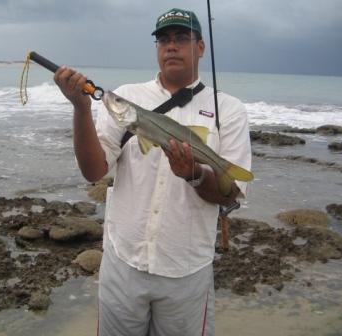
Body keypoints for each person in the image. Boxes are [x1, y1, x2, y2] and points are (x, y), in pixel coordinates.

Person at [54, 7, 251, 336]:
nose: (170, 46)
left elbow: (230, 194)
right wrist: (81, 109)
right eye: (163, 40)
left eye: (181, 38)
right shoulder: (129, 97)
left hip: (187, 272)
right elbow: (94, 171)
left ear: (200, 47)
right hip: (123, 264)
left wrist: (195, 174)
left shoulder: (228, 110)